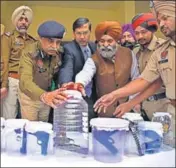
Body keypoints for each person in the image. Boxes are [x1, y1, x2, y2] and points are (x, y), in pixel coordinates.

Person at [94, 1, 175, 146]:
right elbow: (146, 80)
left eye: (165, 18)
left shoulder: (158, 47)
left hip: (162, 104)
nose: (162, 24)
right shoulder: (162, 51)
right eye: (159, 20)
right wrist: (117, 96)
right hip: (167, 112)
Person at [70, 21, 139, 117]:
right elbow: (86, 73)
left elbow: (136, 78)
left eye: (109, 41)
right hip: (105, 111)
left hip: (127, 111)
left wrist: (133, 103)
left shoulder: (129, 54)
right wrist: (80, 83)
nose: (105, 45)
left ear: (116, 41)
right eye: (102, 41)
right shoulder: (94, 58)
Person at [18, 20, 70, 122]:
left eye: (58, 42)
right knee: (31, 128)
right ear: (40, 39)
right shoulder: (29, 53)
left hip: (48, 96)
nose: (55, 46)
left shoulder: (59, 52)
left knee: (43, 127)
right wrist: (44, 96)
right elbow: (25, 82)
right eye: (50, 41)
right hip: (30, 97)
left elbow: (61, 71)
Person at [58, 17, 97, 123]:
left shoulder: (95, 47)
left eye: (85, 33)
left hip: (95, 94)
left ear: (90, 32)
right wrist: (66, 84)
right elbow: (67, 67)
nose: (82, 37)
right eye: (78, 33)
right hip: (77, 93)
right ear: (74, 33)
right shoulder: (68, 48)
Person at [130, 12, 168, 120]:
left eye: (143, 32)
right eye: (136, 33)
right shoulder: (136, 51)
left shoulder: (164, 48)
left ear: (152, 30)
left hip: (163, 107)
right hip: (143, 107)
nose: (140, 36)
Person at [1, 6, 36, 119]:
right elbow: (5, 62)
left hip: (28, 82)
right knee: (9, 116)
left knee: (28, 117)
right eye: (20, 19)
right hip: (12, 80)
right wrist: (4, 85)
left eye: (26, 20)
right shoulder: (8, 37)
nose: (23, 22)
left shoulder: (33, 41)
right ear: (16, 21)